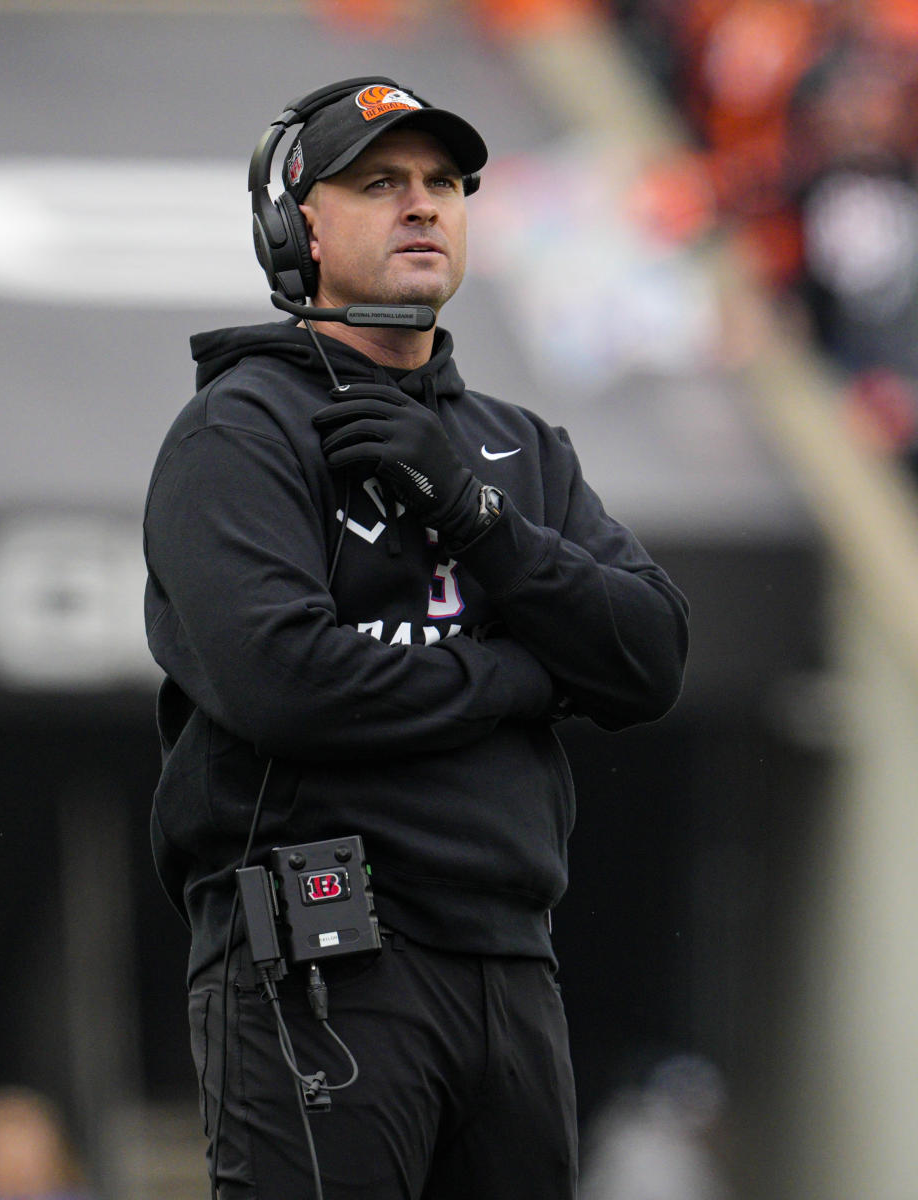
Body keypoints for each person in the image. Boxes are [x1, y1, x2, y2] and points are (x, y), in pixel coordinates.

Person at [143, 76, 689, 1200]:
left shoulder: (518, 448)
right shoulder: (236, 432)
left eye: (443, 182)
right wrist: (519, 674)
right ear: (295, 225)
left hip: (512, 962)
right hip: (322, 960)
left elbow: (650, 658)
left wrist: (477, 522)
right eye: (380, 183)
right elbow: (285, 682)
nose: (424, 205)